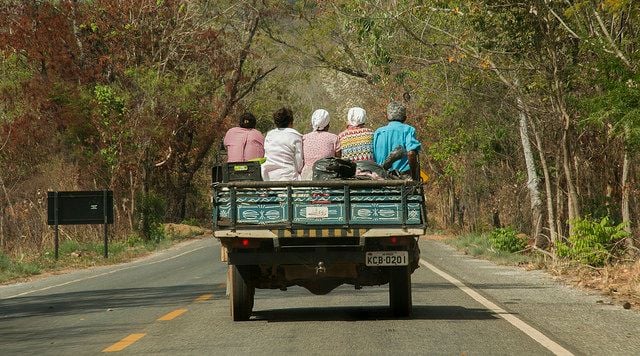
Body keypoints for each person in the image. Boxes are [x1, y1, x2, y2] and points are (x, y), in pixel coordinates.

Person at [372, 101, 422, 179]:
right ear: (405, 118)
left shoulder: (378, 132)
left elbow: (373, 157)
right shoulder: (408, 130)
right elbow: (411, 153)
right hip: (402, 179)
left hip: (381, 179)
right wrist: (414, 176)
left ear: (387, 117)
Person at [261, 107, 304, 181]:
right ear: (291, 122)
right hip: (288, 178)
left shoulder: (269, 135)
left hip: (268, 178)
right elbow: (299, 164)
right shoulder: (295, 136)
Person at [301, 109, 339, 180]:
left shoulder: (304, 138)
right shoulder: (334, 138)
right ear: (328, 124)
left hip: (307, 178)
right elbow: (338, 158)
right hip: (327, 177)